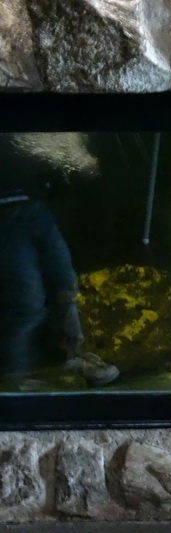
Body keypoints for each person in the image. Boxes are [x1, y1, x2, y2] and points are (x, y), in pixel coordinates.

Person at [0, 133, 119, 391]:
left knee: (66, 286)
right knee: (27, 302)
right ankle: (15, 375)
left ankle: (71, 357)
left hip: (39, 209)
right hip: (6, 216)